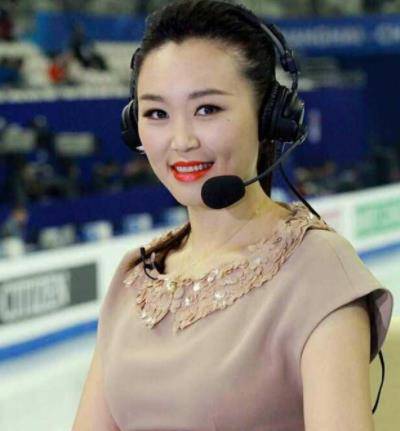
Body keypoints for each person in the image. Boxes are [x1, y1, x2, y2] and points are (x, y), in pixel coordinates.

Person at [72, 1, 394, 430]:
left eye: (207, 109)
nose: (181, 140)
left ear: (268, 117)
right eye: (157, 113)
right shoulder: (135, 279)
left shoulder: (319, 271)